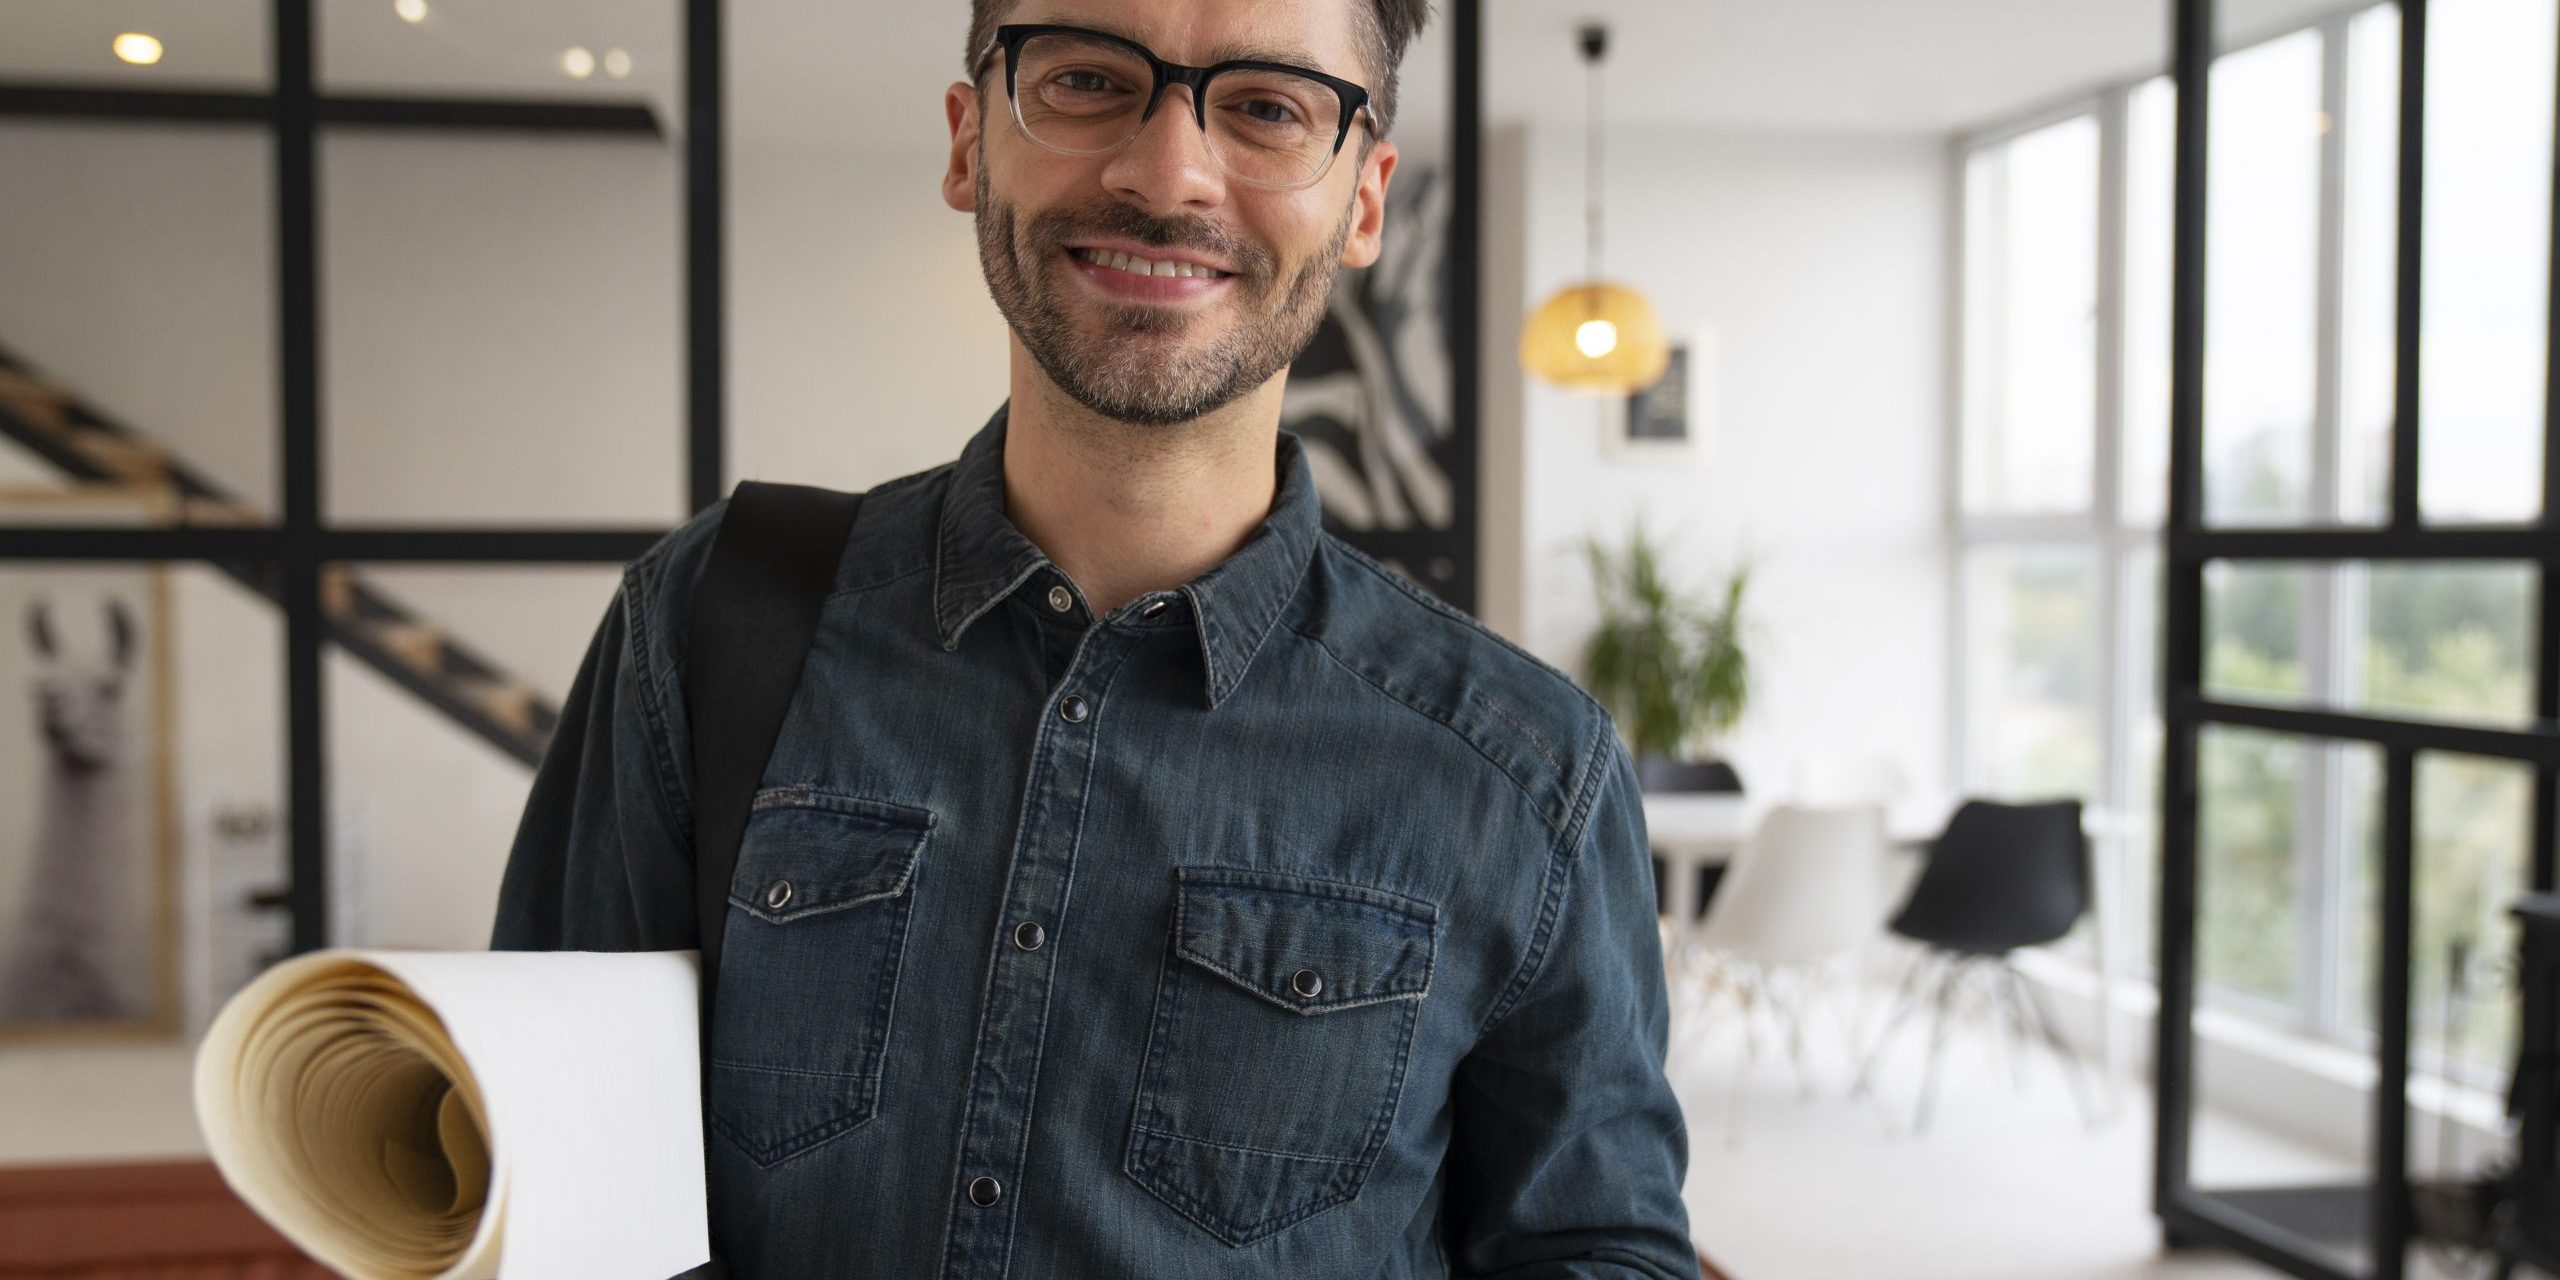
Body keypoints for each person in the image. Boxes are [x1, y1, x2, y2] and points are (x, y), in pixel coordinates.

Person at [488, 0, 1697, 1273]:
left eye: (1270, 107)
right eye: (1083, 79)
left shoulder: (1524, 771)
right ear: (970, 143)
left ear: (1363, 201)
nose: (1166, 171)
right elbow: (540, 1181)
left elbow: (1595, 1244)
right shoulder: (707, 622)